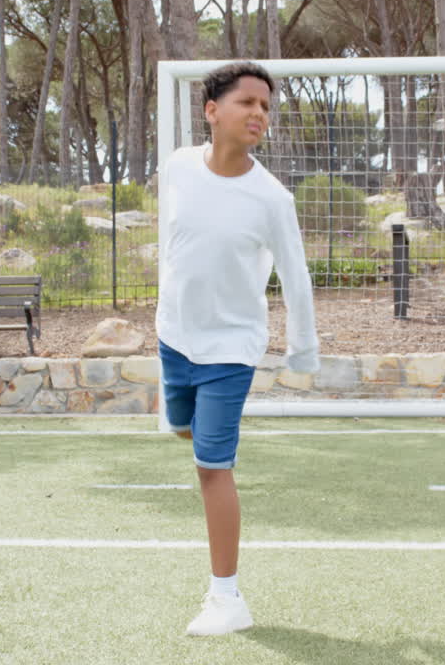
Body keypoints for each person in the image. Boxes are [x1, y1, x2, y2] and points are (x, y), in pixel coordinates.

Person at [155, 61, 319, 636]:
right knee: (182, 429)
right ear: (212, 111)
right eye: (247, 102)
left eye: (266, 107)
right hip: (174, 337)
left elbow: (296, 279)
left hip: (231, 349)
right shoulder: (177, 167)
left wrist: (303, 352)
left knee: (211, 467)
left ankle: (227, 599)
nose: (258, 114)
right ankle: (186, 421)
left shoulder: (272, 198)